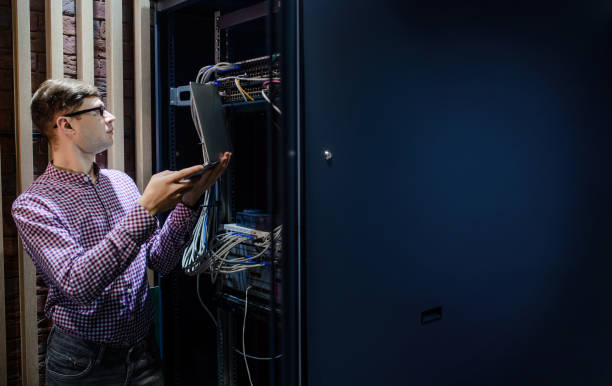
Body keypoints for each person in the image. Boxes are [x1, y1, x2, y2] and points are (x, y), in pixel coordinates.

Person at [11, 78, 231, 385]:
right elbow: (78, 285)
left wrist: (189, 202)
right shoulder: (34, 205)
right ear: (67, 126)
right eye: (99, 110)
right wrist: (145, 210)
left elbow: (160, 260)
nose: (111, 117)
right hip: (83, 361)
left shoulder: (122, 183)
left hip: (143, 352)